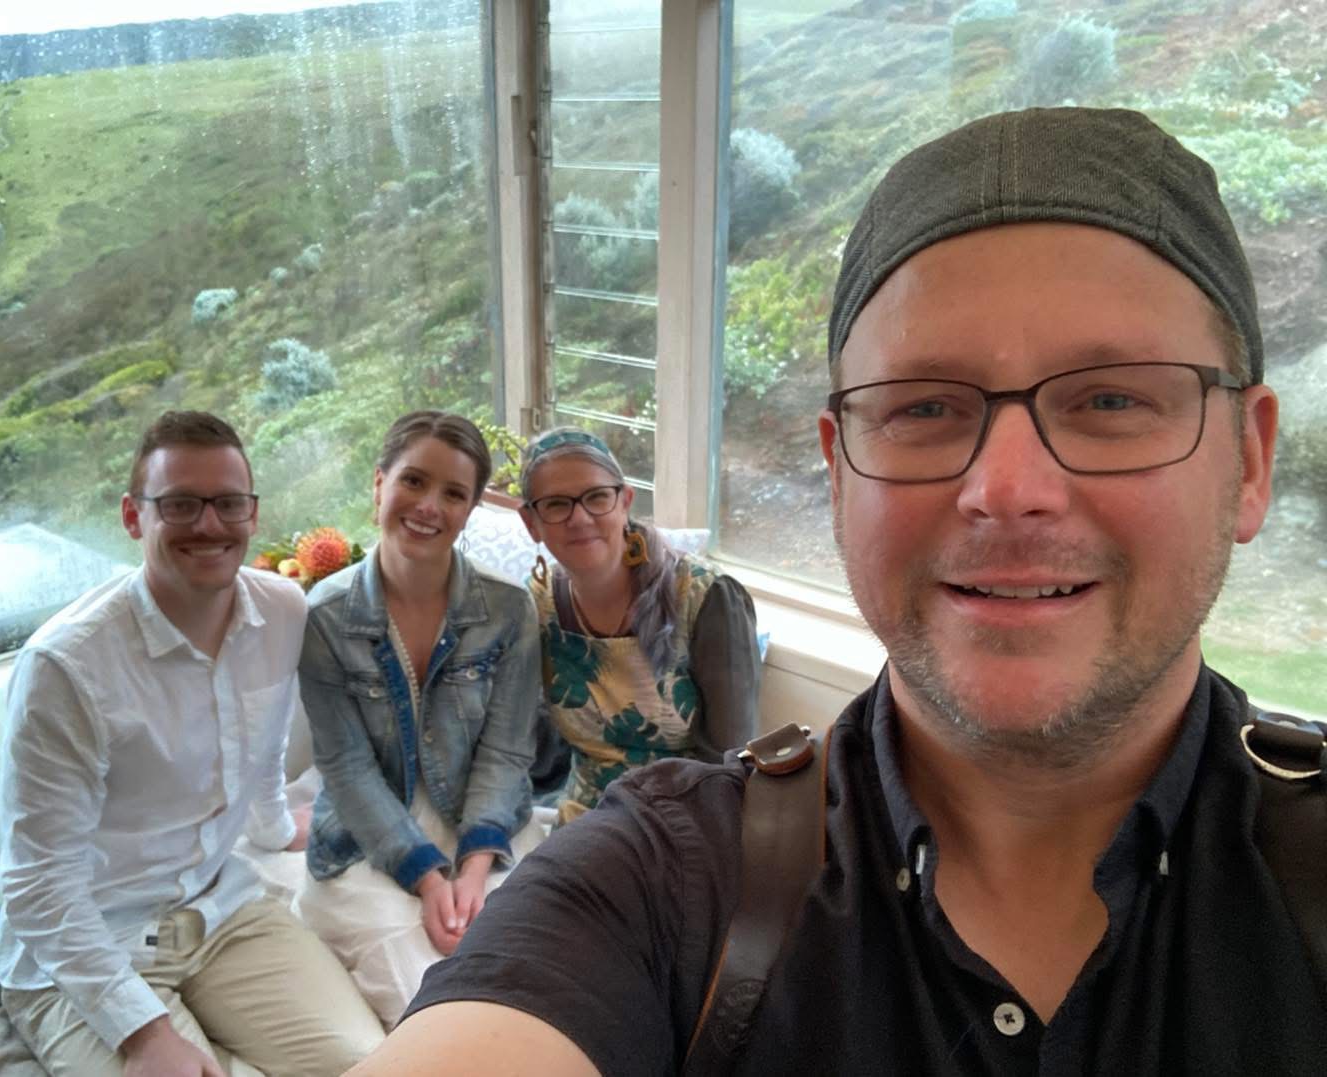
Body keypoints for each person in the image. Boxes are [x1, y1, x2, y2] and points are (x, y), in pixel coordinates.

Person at [349, 107, 1327, 1075]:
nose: (1008, 492)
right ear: (839, 471)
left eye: (1113, 398)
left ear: (1249, 460)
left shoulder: (700, 607)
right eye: (923, 409)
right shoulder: (657, 881)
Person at [0, 410, 383, 1077]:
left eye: (228, 503)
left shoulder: (283, 610)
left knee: (373, 1063)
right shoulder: (67, 667)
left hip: (221, 909)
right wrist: (143, 1034)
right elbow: (39, 884)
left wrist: (270, 824)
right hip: (89, 947)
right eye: (180, 504)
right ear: (132, 516)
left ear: (253, 515)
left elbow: (258, 748)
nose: (209, 523)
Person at [294, 410, 544, 1029]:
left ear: (469, 510)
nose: (429, 506)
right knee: (429, 996)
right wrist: (429, 880)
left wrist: (475, 868)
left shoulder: (509, 610)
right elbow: (346, 766)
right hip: (368, 840)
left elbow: (508, 752)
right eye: (413, 481)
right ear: (379, 485)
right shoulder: (323, 616)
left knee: (527, 975)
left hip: (487, 826)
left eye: (453, 493)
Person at [514, 427, 761, 824]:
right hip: (583, 821)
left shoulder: (706, 598)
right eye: (556, 505)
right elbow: (532, 747)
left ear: (624, 501)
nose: (579, 518)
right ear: (531, 523)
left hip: (688, 823)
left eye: (596, 497)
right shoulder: (536, 606)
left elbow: (731, 762)